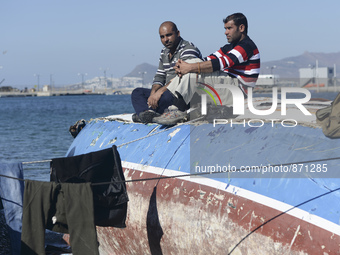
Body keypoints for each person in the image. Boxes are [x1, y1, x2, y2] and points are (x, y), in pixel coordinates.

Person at [153, 13, 261, 125]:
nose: (226, 32)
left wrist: (189, 67)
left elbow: (221, 63)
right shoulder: (230, 47)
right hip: (227, 86)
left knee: (193, 68)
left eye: (229, 28)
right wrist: (183, 66)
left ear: (241, 28)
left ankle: (177, 109)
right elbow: (206, 59)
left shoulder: (246, 46)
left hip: (238, 92)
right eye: (225, 29)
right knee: (192, 64)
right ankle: (171, 106)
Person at [131, 21, 202, 123]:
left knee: (168, 96)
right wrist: (152, 95)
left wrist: (159, 92)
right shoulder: (164, 52)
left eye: (169, 35)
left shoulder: (188, 49)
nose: (166, 40)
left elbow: (182, 76)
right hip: (166, 93)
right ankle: (149, 114)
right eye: (162, 37)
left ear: (178, 33)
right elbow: (160, 76)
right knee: (137, 93)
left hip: (182, 94)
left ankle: (145, 114)